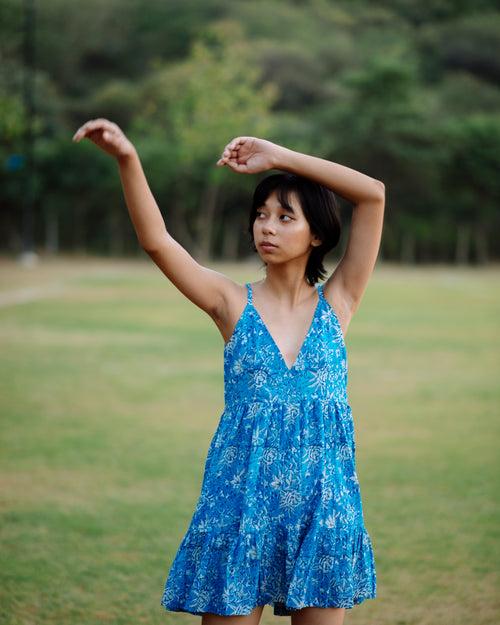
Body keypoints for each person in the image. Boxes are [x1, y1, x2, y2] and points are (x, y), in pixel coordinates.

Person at [73, 119, 385, 625]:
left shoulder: (340, 302)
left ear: (318, 233)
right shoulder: (229, 302)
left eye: (286, 217)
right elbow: (157, 241)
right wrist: (128, 158)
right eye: (261, 215)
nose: (266, 226)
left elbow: (372, 196)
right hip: (240, 506)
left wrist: (280, 157)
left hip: (323, 508)